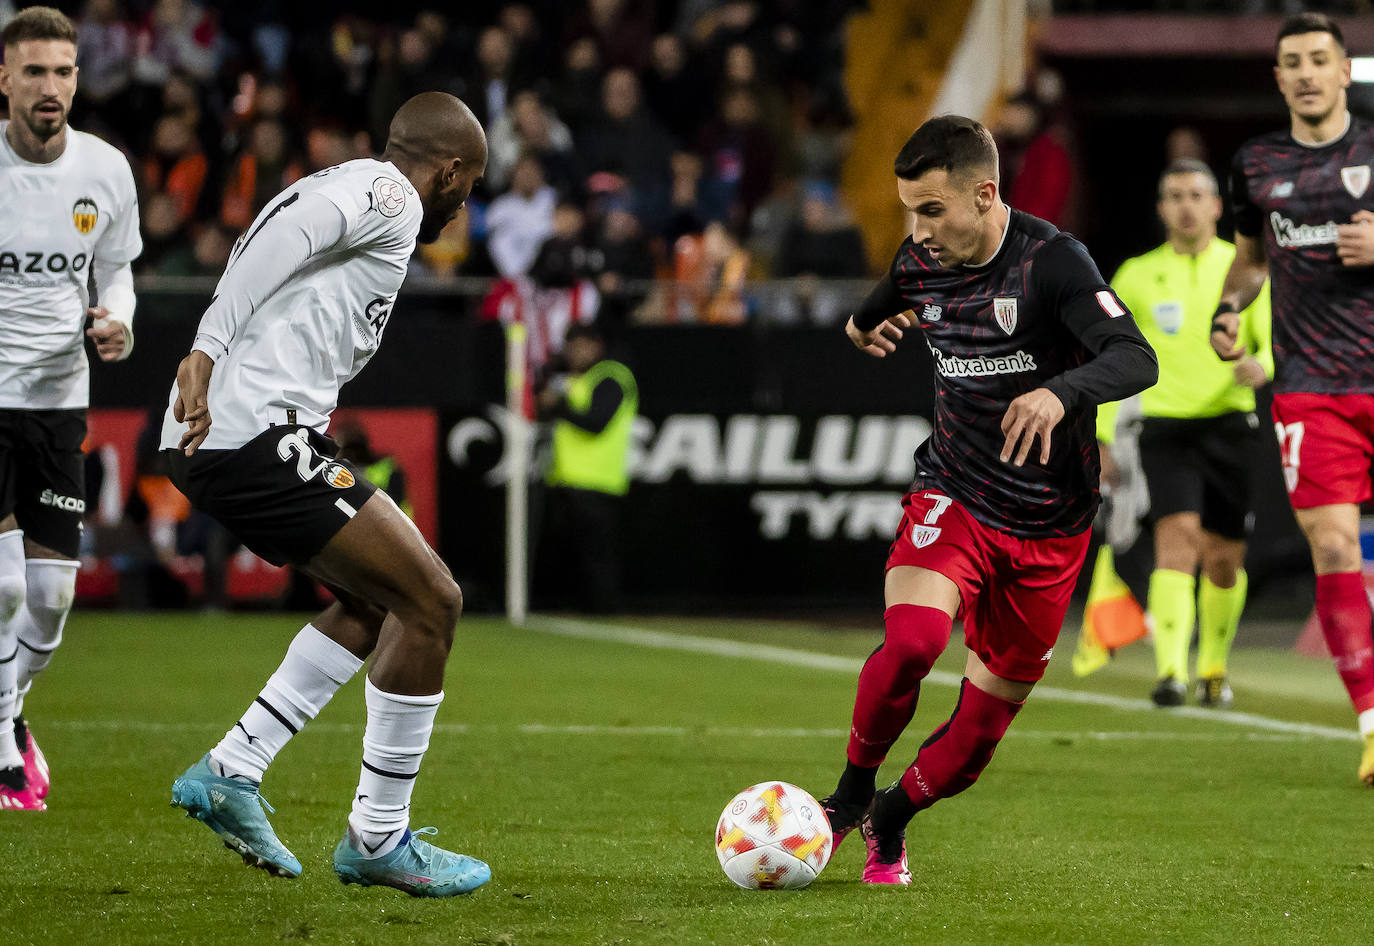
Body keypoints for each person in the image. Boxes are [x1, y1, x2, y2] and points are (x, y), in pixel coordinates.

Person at [161, 91, 492, 896]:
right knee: (433, 601)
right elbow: (287, 237)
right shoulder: (390, 196)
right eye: (470, 186)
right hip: (252, 431)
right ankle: (378, 837)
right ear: (449, 170)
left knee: (373, 603)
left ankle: (232, 768)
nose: (463, 206)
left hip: (235, 435)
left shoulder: (345, 183)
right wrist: (206, 347)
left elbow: (283, 238)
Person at [817, 115, 1157, 884]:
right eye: (910, 211)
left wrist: (1060, 392)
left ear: (985, 194)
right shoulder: (921, 260)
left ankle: (890, 818)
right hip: (956, 492)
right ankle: (848, 796)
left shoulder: (1052, 263)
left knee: (975, 740)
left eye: (932, 210)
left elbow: (1136, 358)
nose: (918, 231)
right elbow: (878, 305)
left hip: (1050, 524)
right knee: (912, 643)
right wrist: (862, 325)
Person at [1212, 12, 1374, 785]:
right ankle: (1373, 725)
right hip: (1312, 388)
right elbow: (1250, 260)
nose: (1307, 73)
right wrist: (1226, 309)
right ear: (1278, 79)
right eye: (1293, 62)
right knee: (1335, 548)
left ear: (1344, 71)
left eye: (1319, 59)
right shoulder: (1256, 164)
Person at [0, 6, 142, 812]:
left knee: (51, 600)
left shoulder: (106, 169)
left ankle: (8, 709)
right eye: (34, 71)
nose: (49, 86)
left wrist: (119, 319)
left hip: (59, 403)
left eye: (62, 71)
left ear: (78, 80)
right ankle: (2, 755)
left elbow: (116, 271)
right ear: (5, 79)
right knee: (4, 590)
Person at [1102, 159, 1272, 708]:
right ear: (1161, 208)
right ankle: (1171, 672)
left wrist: (1261, 366)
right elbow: (1111, 357)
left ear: (1217, 206)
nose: (1186, 206)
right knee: (1175, 540)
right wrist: (1103, 434)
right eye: (1175, 196)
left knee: (1223, 559)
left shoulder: (1244, 270)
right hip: (1164, 425)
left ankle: (1213, 669)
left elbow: (1270, 342)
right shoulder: (1136, 274)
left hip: (1230, 424)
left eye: (1196, 195)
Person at [536, 323, 638, 613]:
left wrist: (558, 405)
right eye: (571, 347)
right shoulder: (570, 379)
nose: (575, 353)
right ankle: (579, 607)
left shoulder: (611, 377)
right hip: (566, 480)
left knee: (597, 554)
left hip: (598, 482)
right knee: (573, 554)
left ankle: (604, 609)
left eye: (581, 346)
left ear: (597, 346)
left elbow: (596, 422)